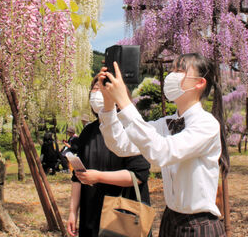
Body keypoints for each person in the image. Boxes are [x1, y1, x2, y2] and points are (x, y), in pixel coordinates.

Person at [98, 53, 226, 237]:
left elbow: (162, 153)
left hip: (199, 225)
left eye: (180, 70)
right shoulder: (167, 122)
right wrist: (110, 105)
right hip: (170, 219)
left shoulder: (207, 124)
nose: (172, 75)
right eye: (172, 70)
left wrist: (125, 103)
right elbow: (120, 144)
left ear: (200, 83)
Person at [67, 77, 151, 237]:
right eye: (94, 89)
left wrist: (98, 177)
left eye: (103, 89)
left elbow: (139, 175)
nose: (97, 93)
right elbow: (77, 176)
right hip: (90, 212)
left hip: (122, 214)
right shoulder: (88, 131)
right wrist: (73, 212)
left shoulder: (130, 127)